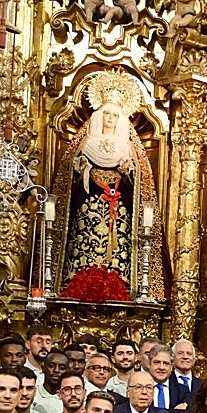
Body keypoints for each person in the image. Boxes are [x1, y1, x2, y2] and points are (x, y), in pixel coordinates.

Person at [62, 89, 161, 290]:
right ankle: (81, 276)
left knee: (119, 236)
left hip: (117, 201)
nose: (110, 118)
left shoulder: (126, 145)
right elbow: (69, 174)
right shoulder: (88, 141)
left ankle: (118, 280)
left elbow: (139, 181)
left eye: (115, 115)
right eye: (107, 113)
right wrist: (80, 165)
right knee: (83, 226)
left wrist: (128, 170)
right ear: (100, 116)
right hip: (89, 197)